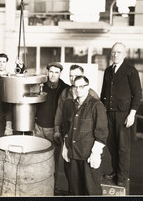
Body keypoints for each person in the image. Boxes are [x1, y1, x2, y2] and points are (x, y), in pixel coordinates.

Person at [100, 42, 142, 187]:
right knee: (111, 145)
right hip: (108, 114)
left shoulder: (131, 71)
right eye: (113, 52)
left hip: (124, 115)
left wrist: (132, 114)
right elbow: (103, 94)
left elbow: (137, 94)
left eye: (118, 52)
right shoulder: (107, 71)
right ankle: (115, 172)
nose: (115, 54)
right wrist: (102, 113)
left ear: (124, 54)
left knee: (123, 147)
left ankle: (122, 177)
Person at [54, 64, 99, 194]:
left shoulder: (92, 95)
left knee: (87, 179)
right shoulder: (65, 93)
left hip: (85, 144)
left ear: (83, 76)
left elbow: (99, 120)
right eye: (71, 76)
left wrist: (96, 149)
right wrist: (57, 129)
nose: (73, 79)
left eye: (76, 76)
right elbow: (59, 112)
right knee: (71, 175)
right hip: (69, 139)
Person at [61, 76, 108, 195]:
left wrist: (95, 153)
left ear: (88, 87)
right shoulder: (69, 105)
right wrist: (65, 147)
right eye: (75, 87)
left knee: (91, 190)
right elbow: (66, 129)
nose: (78, 90)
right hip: (73, 154)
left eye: (81, 86)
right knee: (75, 190)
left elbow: (102, 133)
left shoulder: (97, 106)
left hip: (88, 156)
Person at [34, 62, 70, 191]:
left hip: (54, 130)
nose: (53, 74)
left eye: (56, 72)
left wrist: (59, 130)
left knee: (52, 162)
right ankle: (38, 188)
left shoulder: (65, 88)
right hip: (38, 127)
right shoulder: (40, 86)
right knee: (37, 159)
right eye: (51, 71)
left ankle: (51, 190)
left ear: (60, 74)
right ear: (47, 72)